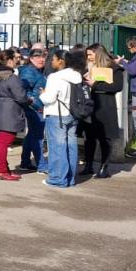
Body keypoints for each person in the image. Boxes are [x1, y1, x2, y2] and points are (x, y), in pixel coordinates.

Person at [40, 50, 85, 188]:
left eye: (53, 59)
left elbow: (49, 98)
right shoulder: (77, 75)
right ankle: (69, 179)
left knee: (57, 148)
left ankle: (57, 179)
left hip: (56, 114)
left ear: (60, 61)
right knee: (71, 147)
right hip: (72, 114)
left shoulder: (55, 77)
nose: (51, 61)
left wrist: (42, 94)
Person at [0, 49, 33, 181]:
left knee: (0, 141)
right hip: (10, 112)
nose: (18, 61)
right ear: (9, 60)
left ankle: (3, 169)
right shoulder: (12, 77)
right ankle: (1, 171)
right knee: (4, 142)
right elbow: (21, 96)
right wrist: (30, 99)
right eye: (16, 59)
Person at [83, 45, 123, 178]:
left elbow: (117, 86)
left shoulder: (114, 68)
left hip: (105, 106)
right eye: (87, 55)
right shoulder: (89, 67)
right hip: (90, 106)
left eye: (90, 55)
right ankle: (88, 165)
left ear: (98, 54)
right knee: (89, 137)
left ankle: (104, 167)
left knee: (105, 138)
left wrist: (94, 84)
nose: (88, 58)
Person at [18, 49, 48, 172]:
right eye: (37, 57)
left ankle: (25, 162)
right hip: (34, 109)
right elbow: (23, 91)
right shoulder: (30, 72)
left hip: (35, 107)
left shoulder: (36, 70)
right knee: (38, 137)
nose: (41, 59)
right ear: (31, 59)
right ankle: (42, 165)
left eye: (43, 57)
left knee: (31, 136)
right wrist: (36, 105)